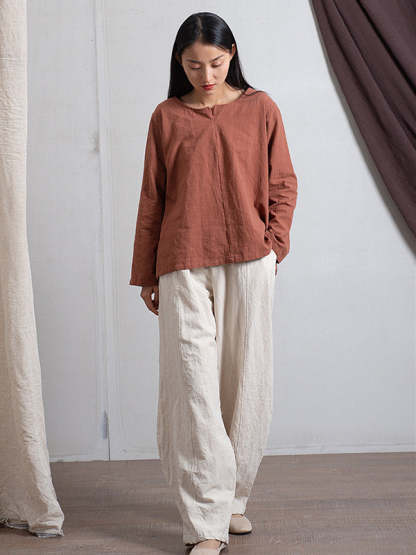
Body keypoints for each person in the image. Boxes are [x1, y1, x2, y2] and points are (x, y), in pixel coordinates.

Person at [129, 11, 298, 554]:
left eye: (216, 63)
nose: (205, 75)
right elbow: (152, 197)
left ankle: (232, 500)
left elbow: (282, 182)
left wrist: (274, 248)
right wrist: (146, 272)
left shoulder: (261, 108)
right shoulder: (166, 117)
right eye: (194, 65)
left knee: (245, 384)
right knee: (193, 390)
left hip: (249, 261)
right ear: (179, 63)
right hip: (181, 263)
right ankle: (205, 522)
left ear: (232, 56)